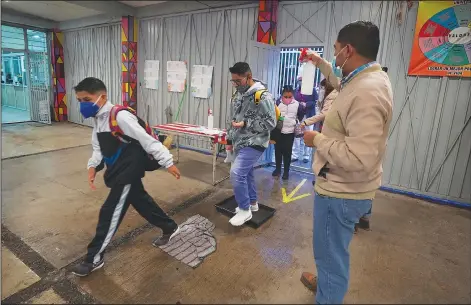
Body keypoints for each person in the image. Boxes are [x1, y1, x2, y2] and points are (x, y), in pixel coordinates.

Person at [300, 21, 393, 304]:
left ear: (348, 50)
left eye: (337, 51)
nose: (335, 55)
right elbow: (342, 83)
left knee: (331, 258)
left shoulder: (366, 92)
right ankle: (328, 282)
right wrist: (319, 63)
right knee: (333, 252)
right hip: (347, 189)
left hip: (341, 193)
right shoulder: (365, 78)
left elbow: (358, 157)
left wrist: (316, 140)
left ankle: (329, 291)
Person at [71, 77, 181, 277]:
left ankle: (93, 258)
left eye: (86, 99)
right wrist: (93, 166)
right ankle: (170, 227)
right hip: (118, 170)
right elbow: (98, 148)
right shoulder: (98, 120)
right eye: (79, 100)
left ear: (101, 97)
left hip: (127, 172)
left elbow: (148, 141)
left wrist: (168, 162)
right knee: (142, 202)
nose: (82, 105)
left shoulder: (120, 117)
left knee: (109, 212)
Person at [226, 62, 276, 226]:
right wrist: (229, 140)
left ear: (248, 77)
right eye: (233, 81)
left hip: (256, 142)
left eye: (238, 81)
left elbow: (271, 123)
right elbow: (234, 118)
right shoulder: (238, 94)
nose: (235, 84)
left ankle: (244, 209)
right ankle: (253, 203)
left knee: (236, 173)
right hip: (239, 141)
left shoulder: (262, 96)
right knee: (245, 173)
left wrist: (247, 124)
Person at [271, 85, 305, 180]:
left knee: (287, 153)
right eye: (285, 96)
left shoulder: (297, 104)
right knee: (278, 151)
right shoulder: (277, 102)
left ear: (293, 95)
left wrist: (294, 122)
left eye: (290, 96)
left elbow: (301, 115)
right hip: (278, 131)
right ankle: (278, 169)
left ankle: (286, 172)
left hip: (290, 132)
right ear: (282, 95)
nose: (287, 98)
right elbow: (273, 114)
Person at [293, 74, 319, 163]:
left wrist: (306, 104)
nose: (300, 82)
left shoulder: (312, 90)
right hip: (298, 116)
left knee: (308, 134)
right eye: (299, 80)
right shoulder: (296, 91)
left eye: (302, 80)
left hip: (309, 116)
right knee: (297, 136)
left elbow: (315, 101)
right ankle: (295, 155)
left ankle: (306, 156)